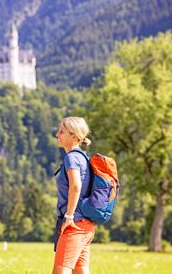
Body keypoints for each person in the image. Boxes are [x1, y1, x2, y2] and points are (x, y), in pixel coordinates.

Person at [52, 117, 95, 274]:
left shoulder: (71, 158)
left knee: (60, 271)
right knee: (80, 271)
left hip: (74, 224)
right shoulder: (84, 158)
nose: (57, 134)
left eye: (62, 131)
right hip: (86, 225)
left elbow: (76, 186)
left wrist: (69, 217)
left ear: (74, 136)